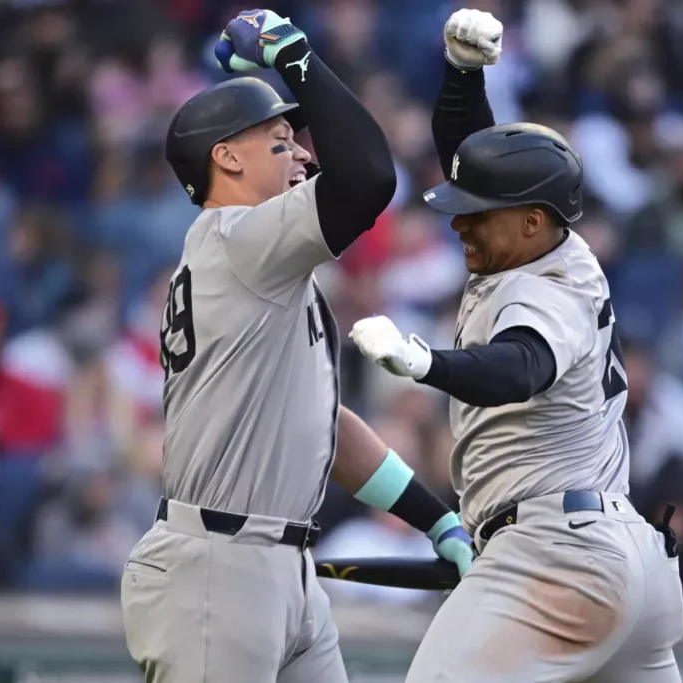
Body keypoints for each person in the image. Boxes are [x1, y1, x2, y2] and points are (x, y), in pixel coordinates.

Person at [118, 10, 473, 683]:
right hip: (217, 572)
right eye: (281, 140)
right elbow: (368, 178)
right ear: (225, 156)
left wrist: (435, 518)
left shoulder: (270, 268)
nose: (305, 153)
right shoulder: (240, 239)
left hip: (282, 567)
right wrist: (294, 55)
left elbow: (321, 425)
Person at [348, 9, 683, 682]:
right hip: (619, 555)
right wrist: (464, 77)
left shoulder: (548, 287)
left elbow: (519, 368)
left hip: (558, 554)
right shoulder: (542, 243)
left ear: (532, 221)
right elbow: (472, 159)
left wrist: (424, 363)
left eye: (477, 215)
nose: (460, 223)